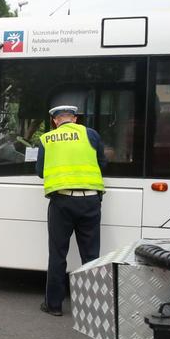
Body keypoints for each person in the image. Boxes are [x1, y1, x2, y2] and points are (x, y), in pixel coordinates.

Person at [35, 105, 107, 316]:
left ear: (55, 121)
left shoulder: (47, 139)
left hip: (62, 202)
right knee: (91, 255)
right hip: (91, 201)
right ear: (74, 119)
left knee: (58, 254)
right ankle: (92, 307)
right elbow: (103, 163)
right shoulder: (91, 134)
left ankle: (54, 306)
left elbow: (40, 172)